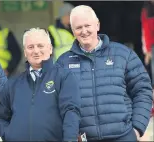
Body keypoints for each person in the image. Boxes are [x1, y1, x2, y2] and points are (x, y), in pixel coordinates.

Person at [56, 5, 153, 141]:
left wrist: (137, 129)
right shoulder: (63, 63)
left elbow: (143, 90)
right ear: (73, 31)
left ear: (97, 25)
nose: (84, 31)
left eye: (87, 25)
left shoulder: (123, 54)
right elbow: (55, 103)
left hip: (123, 137)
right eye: (78, 28)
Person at [0, 28, 81, 141]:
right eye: (30, 47)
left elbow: (71, 113)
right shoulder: (13, 83)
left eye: (40, 46)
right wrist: (9, 134)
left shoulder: (64, 77)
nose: (36, 51)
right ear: (25, 52)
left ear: (50, 49)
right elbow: (0, 118)